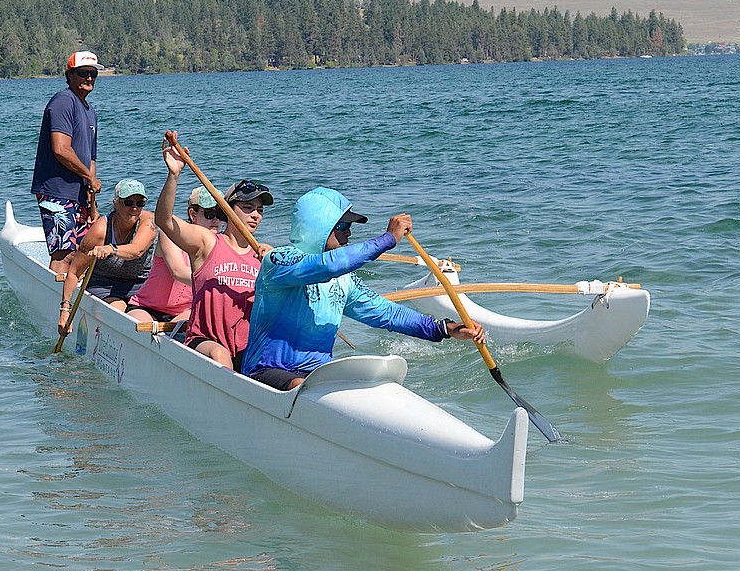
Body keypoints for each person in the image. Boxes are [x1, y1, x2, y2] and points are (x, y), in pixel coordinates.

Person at [241, 186, 485, 391]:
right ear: (319, 226)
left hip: (315, 376)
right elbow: (328, 265)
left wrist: (445, 328)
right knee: (299, 385)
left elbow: (388, 314)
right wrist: (388, 239)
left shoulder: (343, 281)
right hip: (265, 372)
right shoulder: (279, 262)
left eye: (350, 226)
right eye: (342, 226)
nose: (349, 232)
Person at [156, 133, 272, 370]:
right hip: (205, 342)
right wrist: (174, 175)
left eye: (259, 210)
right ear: (228, 210)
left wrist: (276, 263)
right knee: (220, 355)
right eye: (248, 208)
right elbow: (164, 221)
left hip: (244, 345)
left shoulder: (262, 255)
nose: (256, 215)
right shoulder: (207, 242)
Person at [32, 50, 103, 275]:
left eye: (93, 74)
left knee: (84, 251)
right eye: (83, 73)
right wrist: (89, 176)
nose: (89, 78)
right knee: (64, 252)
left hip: (80, 193)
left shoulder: (90, 111)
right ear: (69, 75)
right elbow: (61, 149)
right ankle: (56, 303)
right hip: (57, 191)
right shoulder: (64, 101)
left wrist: (91, 192)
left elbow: (91, 157)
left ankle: (73, 300)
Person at [57, 179, 157, 337]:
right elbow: (75, 272)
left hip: (139, 288)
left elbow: (137, 250)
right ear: (115, 203)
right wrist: (65, 310)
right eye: (128, 202)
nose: (134, 208)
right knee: (117, 311)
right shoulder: (100, 231)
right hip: (104, 286)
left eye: (140, 203)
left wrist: (111, 249)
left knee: (144, 319)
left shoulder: (149, 221)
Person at [125, 186, 223, 324]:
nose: (216, 220)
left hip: (185, 312)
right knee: (140, 328)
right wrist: (220, 282)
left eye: (221, 214)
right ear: (193, 214)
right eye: (210, 214)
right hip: (147, 309)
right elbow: (177, 271)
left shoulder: (222, 244)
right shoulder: (170, 233)